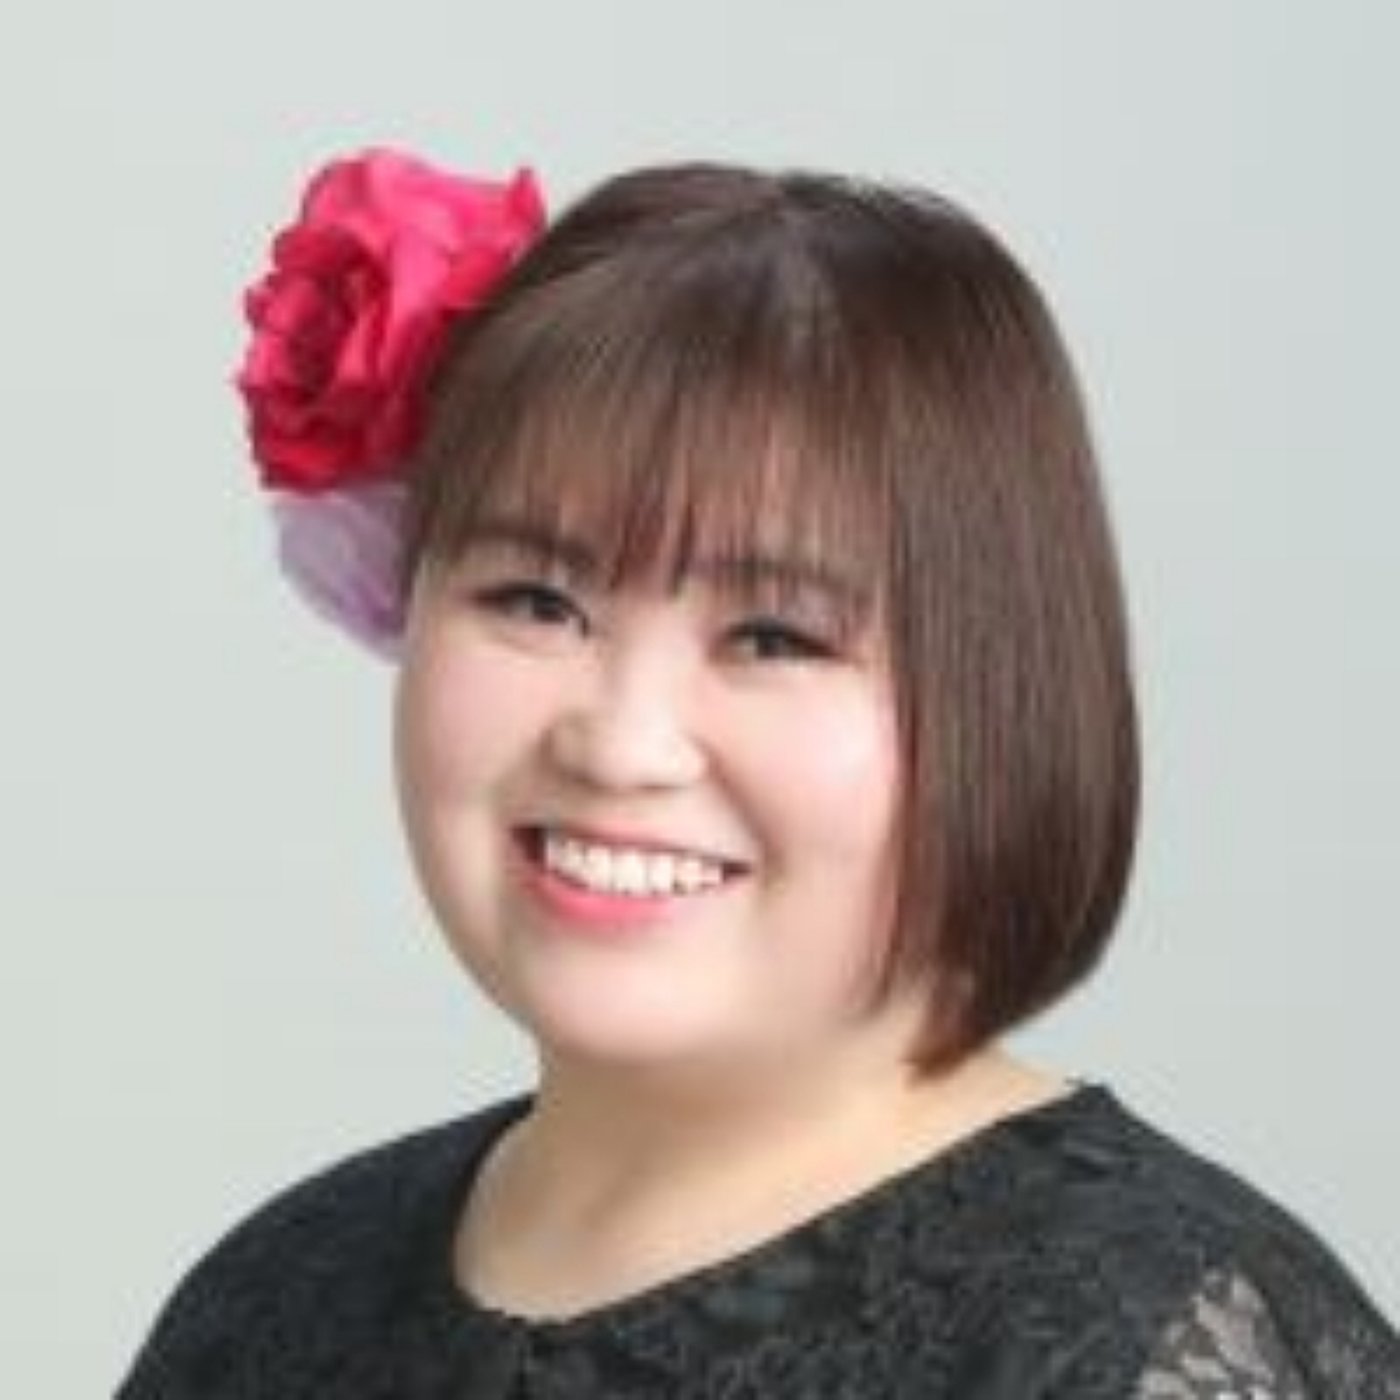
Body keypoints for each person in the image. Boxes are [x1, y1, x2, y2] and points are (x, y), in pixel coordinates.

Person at [117, 148, 1400, 1398]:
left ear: (995, 692)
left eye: (773, 637)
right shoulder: (279, 1295)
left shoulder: (1143, 1337)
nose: (619, 742)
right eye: (536, 600)